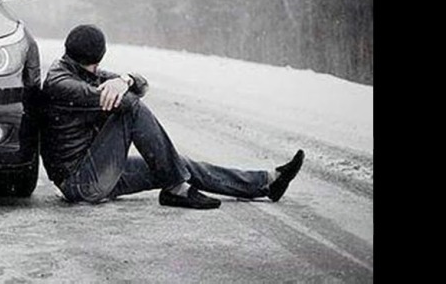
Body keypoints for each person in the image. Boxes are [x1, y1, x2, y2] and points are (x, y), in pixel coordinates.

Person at [38, 24, 304, 209]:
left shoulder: (84, 71)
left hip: (98, 171)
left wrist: (126, 78)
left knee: (174, 163)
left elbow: (142, 87)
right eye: (95, 64)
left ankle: (267, 182)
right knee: (132, 110)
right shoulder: (62, 84)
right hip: (80, 182)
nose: (98, 69)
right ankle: (176, 189)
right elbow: (130, 101)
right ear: (83, 59)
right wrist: (122, 87)